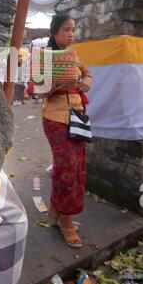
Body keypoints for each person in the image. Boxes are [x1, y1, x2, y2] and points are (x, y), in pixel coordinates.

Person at [36, 13, 93, 248]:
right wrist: (56, 86)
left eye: (73, 29)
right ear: (54, 32)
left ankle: (55, 211)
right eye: (66, 30)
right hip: (55, 118)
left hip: (77, 117)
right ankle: (66, 221)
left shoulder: (74, 55)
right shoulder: (44, 57)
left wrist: (86, 81)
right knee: (67, 167)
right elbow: (38, 91)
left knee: (74, 166)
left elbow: (87, 74)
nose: (71, 34)